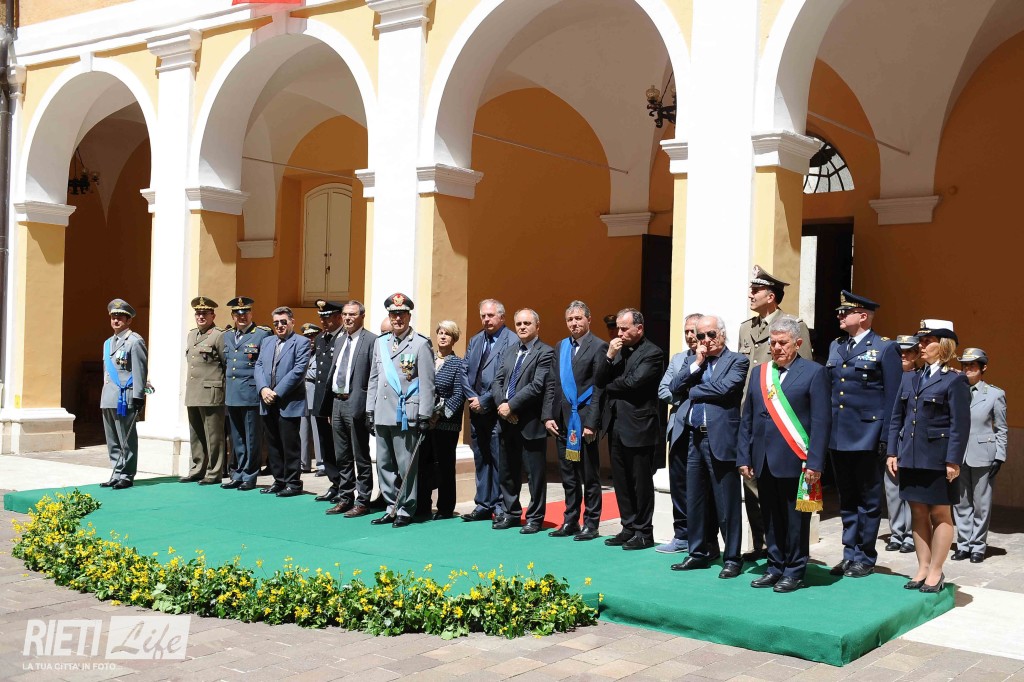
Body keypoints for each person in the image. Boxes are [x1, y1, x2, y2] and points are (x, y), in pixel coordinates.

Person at [738, 315, 831, 593]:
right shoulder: (760, 373)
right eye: (773, 343)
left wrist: (815, 462)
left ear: (797, 343)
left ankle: (794, 570)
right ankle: (774, 566)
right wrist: (744, 456)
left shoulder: (814, 373)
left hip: (796, 460)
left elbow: (821, 422)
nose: (776, 348)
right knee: (770, 516)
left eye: (783, 343)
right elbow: (747, 418)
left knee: (795, 520)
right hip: (763, 460)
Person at [886, 319, 970, 593]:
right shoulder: (910, 377)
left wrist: (953, 460)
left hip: (938, 458)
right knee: (917, 511)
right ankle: (922, 567)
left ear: (943, 345)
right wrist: (892, 451)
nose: (920, 346)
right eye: (920, 341)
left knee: (940, 513)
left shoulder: (955, 380)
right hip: (910, 455)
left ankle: (936, 571)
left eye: (926, 341)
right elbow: (897, 418)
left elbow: (960, 424)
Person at [737, 265, 812, 560]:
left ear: (771, 296)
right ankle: (761, 544)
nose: (750, 295)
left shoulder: (793, 326)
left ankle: (781, 549)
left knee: (782, 495)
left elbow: (803, 376)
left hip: (783, 422)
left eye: (756, 290)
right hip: (753, 416)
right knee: (753, 484)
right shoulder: (747, 327)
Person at [825, 291, 902, 578]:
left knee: (868, 499)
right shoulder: (836, 346)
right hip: (838, 434)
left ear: (863, 316)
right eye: (839, 312)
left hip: (869, 435)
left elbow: (893, 399)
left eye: (846, 312)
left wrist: (887, 439)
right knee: (847, 498)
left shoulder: (885, 348)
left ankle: (865, 556)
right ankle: (849, 553)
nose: (840, 315)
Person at [669, 315, 749, 578]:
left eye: (710, 334)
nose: (705, 340)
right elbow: (674, 387)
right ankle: (698, 553)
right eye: (700, 335)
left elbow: (725, 389)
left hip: (722, 439)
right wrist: (697, 364)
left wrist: (692, 391)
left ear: (722, 334)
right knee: (695, 500)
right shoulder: (695, 361)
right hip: (695, 438)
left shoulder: (737, 360)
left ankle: (732, 558)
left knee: (727, 504)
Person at [597, 308, 666, 551]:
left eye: (625, 328)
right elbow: (599, 380)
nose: (620, 333)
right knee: (621, 480)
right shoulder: (617, 351)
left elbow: (633, 383)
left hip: (639, 425)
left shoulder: (653, 353)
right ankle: (628, 526)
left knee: (640, 482)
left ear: (639, 328)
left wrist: (610, 385)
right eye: (618, 328)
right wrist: (609, 356)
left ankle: (644, 531)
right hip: (616, 423)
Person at [366, 293, 435, 526]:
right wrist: (369, 410)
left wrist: (425, 414)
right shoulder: (380, 343)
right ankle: (391, 505)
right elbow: (374, 379)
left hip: (406, 413)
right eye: (394, 314)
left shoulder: (420, 344)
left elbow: (427, 383)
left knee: (406, 465)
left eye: (402, 314)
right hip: (382, 411)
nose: (398, 319)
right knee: (383, 464)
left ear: (409, 316)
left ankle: (406, 508)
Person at [543, 301, 607, 541]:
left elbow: (599, 388)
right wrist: (548, 415)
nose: (574, 323)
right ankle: (570, 520)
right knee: (568, 474)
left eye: (578, 318)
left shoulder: (599, 346)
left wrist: (592, 423)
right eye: (570, 319)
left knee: (589, 475)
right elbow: (552, 383)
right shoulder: (561, 346)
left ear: (589, 319)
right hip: (562, 420)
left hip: (583, 421)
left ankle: (591, 523)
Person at [492, 309, 555, 533]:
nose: (522, 327)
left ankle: (535, 518)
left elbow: (537, 386)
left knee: (535, 474)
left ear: (537, 326)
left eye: (527, 323)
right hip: (506, 420)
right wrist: (503, 406)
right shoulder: (510, 351)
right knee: (508, 471)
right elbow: (497, 382)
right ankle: (511, 513)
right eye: (518, 323)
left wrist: (512, 405)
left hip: (530, 422)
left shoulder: (545, 352)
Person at [461, 299, 518, 522]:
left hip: (496, 410)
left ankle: (501, 506)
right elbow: (464, 371)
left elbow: (505, 377)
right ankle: (483, 504)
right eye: (483, 316)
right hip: (476, 410)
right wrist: (472, 398)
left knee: (499, 460)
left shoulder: (511, 340)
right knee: (481, 457)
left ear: (502, 317)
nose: (486, 319)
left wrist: (484, 401)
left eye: (491, 315)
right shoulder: (476, 340)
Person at [952, 347, 1007, 564]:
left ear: (983, 368)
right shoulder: (955, 390)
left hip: (983, 454)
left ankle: (978, 546)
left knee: (981, 504)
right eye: (965, 365)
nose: (967, 369)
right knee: (961, 502)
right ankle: (963, 544)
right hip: (958, 454)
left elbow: (1001, 428)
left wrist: (1000, 456)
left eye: (972, 365)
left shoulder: (995, 394)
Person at [656, 312, 702, 553]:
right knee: (679, 484)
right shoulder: (677, 359)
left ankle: (701, 537)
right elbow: (663, 390)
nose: (690, 336)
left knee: (700, 487)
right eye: (686, 332)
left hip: (702, 430)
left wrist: (685, 393)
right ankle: (681, 535)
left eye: (693, 331)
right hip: (678, 430)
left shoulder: (711, 359)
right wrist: (685, 398)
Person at [327, 300, 378, 518]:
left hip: (357, 404)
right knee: (342, 455)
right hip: (337, 402)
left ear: (362, 317)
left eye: (352, 314)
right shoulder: (340, 340)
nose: (348, 318)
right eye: (345, 314)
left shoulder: (371, 341)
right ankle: (345, 497)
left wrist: (369, 408)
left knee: (361, 455)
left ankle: (363, 500)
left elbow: (374, 376)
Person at [254, 306, 311, 497]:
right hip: (267, 400)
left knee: (290, 445)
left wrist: (275, 393)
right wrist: (263, 389)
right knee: (273, 443)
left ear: (292, 322)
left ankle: (293, 483)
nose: (279, 326)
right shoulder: (267, 341)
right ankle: (278, 480)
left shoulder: (301, 342)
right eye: (276, 323)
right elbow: (259, 366)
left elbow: (298, 371)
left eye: (283, 322)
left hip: (288, 401)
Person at [221, 297, 271, 491]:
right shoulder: (227, 336)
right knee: (237, 438)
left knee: (251, 438)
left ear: (251, 314)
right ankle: (238, 473)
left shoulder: (261, 334)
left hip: (251, 393)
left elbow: (265, 364)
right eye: (238, 314)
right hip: (232, 393)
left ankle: (250, 475)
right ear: (233, 316)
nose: (242, 317)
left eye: (245, 313)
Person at [418, 320, 466, 520]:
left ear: (454, 339)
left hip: (446, 424)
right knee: (423, 464)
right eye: (441, 333)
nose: (443, 337)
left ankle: (445, 508)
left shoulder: (459, 364)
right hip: (424, 421)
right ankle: (422, 506)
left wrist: (438, 414)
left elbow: (459, 394)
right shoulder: (426, 359)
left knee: (445, 465)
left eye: (448, 334)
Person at [100, 299, 148, 490]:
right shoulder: (108, 343)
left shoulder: (134, 341)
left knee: (126, 438)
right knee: (112, 438)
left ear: (129, 320)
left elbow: (140, 370)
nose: (116, 320)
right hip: (109, 396)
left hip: (124, 397)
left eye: (120, 317)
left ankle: (127, 474)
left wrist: (138, 396)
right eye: (113, 317)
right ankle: (116, 471)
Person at [182, 297, 227, 485]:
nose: (201, 317)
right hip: (193, 391)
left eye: (205, 314)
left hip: (211, 393)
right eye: (198, 313)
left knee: (213, 435)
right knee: (196, 434)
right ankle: (197, 469)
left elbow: (225, 364)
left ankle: (214, 472)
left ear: (212, 316)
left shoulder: (219, 335)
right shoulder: (192, 335)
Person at [884, 335, 921, 553]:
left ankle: (910, 534)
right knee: (892, 490)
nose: (904, 356)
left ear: (917, 354)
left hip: (911, 441)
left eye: (908, 352)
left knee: (911, 490)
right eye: (900, 352)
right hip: (891, 439)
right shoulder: (887, 376)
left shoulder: (920, 377)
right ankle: (896, 533)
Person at [311, 300, 346, 505]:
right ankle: (335, 483)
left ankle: (345, 486)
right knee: (326, 444)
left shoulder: (344, 338)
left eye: (328, 317)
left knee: (340, 446)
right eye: (322, 318)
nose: (324, 321)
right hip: (320, 400)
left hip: (335, 400)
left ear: (339, 317)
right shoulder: (320, 338)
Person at [298, 323, 323, 477]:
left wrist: (301, 373)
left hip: (315, 397)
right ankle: (304, 463)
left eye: (313, 336)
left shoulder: (321, 353)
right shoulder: (302, 354)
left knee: (318, 432)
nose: (310, 340)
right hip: (302, 397)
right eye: (307, 337)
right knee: (303, 432)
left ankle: (321, 464)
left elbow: (319, 374)